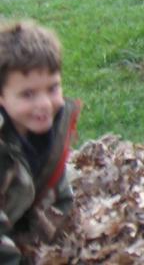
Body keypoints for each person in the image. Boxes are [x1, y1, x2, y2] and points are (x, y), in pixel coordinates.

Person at [0, 21, 81, 263]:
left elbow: (59, 192)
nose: (44, 104)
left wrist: (65, 240)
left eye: (52, 88)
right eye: (28, 94)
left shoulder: (51, 128)